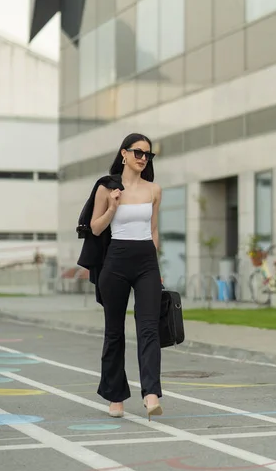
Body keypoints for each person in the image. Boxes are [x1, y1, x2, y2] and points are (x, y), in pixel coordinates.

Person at [89, 133, 163, 420]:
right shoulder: (106, 188)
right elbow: (96, 228)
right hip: (116, 263)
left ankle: (151, 394)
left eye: (148, 154)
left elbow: (154, 230)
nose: (143, 158)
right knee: (114, 332)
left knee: (148, 329)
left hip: (146, 262)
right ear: (123, 154)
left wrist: (156, 269)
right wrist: (112, 207)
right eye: (138, 152)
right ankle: (115, 396)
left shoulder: (154, 190)